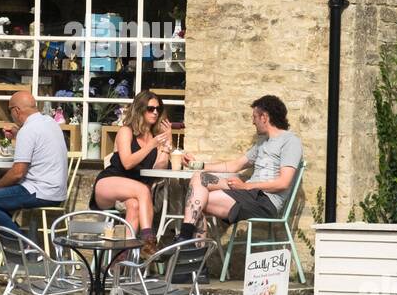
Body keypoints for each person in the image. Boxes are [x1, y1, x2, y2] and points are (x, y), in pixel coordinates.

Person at [175, 94, 301, 245]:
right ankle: (187, 239)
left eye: (254, 117)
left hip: (265, 201)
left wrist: (246, 186)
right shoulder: (263, 143)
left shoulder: (290, 141)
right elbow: (235, 165)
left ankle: (187, 242)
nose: (252, 121)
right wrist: (199, 165)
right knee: (198, 178)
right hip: (248, 193)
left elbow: (283, 183)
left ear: (264, 117)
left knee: (196, 202)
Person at [0, 90, 67, 239]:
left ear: (16, 110)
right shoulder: (50, 123)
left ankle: (22, 246)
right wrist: (18, 134)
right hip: (57, 192)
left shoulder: (28, 131)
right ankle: (23, 242)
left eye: (10, 110)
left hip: (39, 191)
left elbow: (18, 173)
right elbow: (37, 142)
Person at [91, 90, 171, 253]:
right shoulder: (126, 131)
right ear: (140, 109)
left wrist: (166, 143)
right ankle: (149, 241)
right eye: (151, 108)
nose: (155, 112)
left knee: (134, 206)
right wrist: (151, 145)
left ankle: (121, 259)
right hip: (110, 183)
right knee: (143, 189)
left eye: (158, 109)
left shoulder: (155, 137)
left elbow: (158, 170)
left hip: (133, 193)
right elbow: (127, 163)